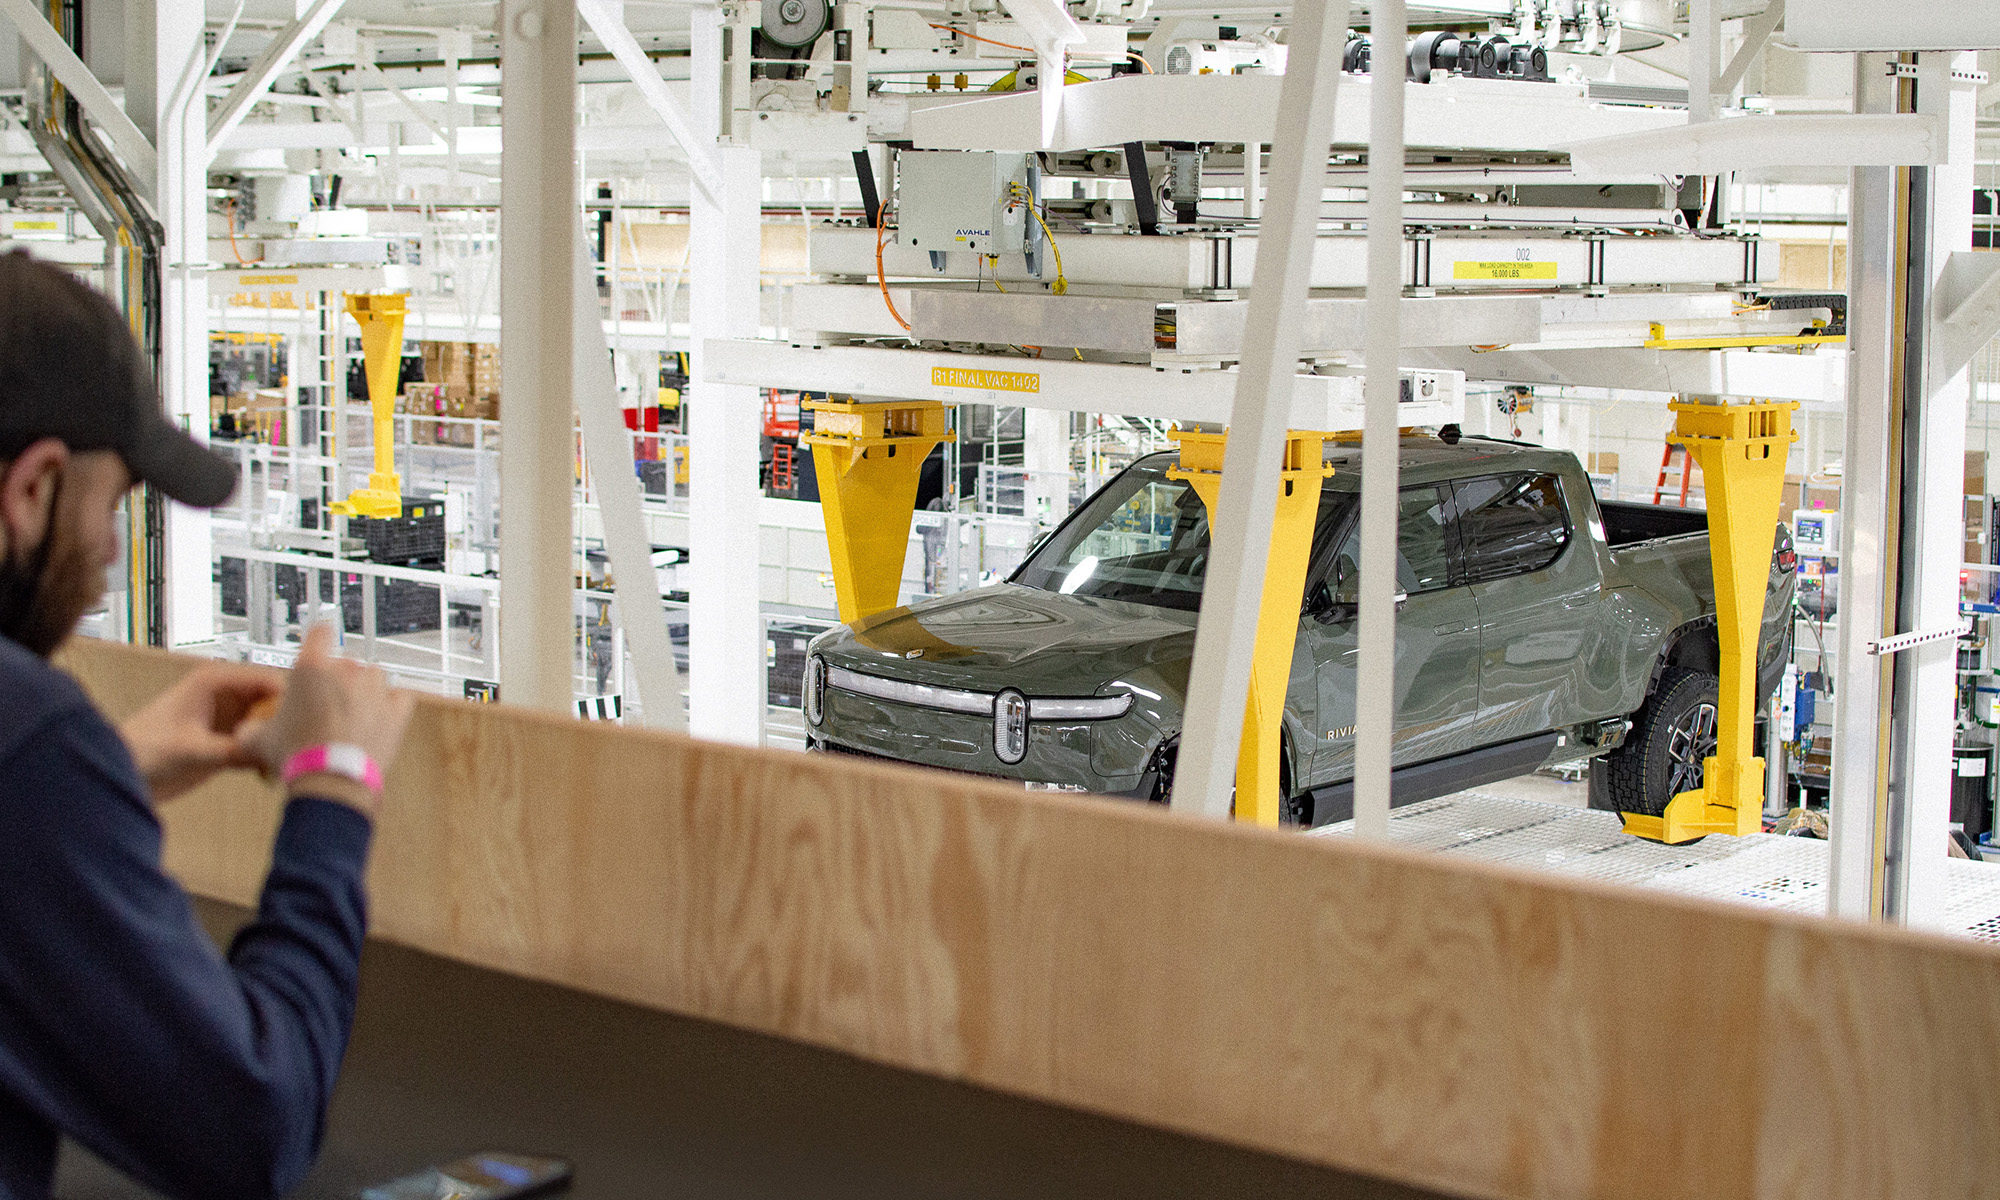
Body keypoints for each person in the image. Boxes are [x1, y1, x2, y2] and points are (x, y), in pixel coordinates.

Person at [0, 250, 414, 1200]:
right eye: (111, 505)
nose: (110, 552)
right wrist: (334, 788)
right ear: (32, 490)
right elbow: (251, 1123)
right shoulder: (27, 740)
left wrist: (107, 768)